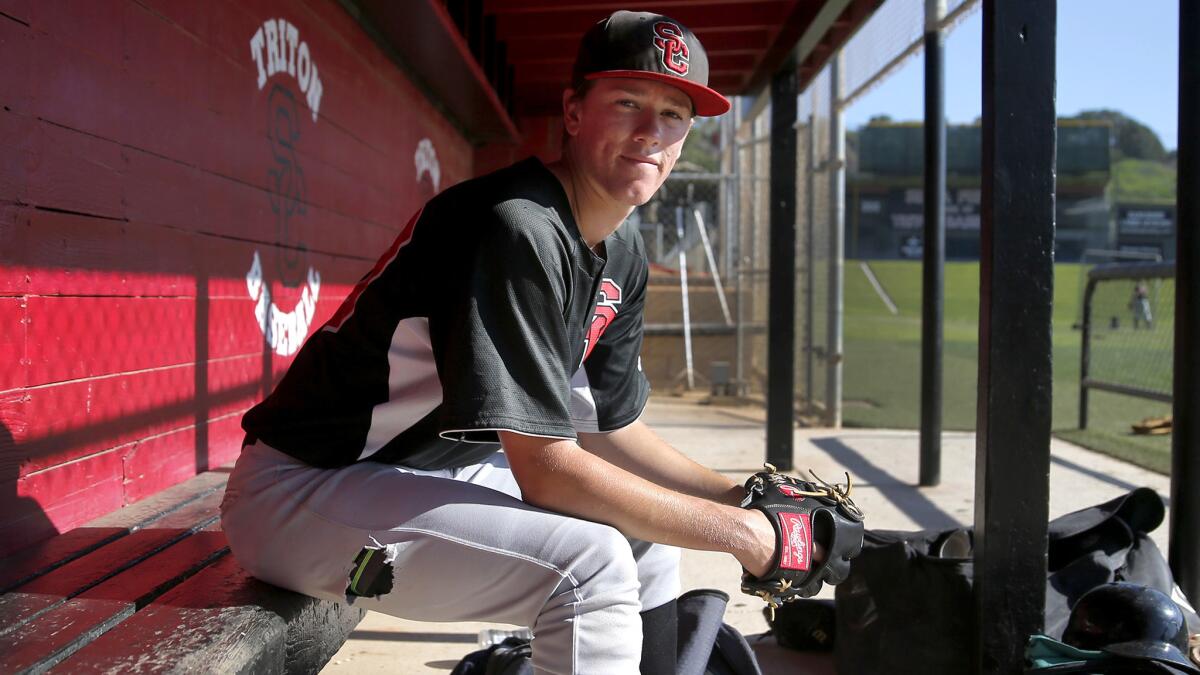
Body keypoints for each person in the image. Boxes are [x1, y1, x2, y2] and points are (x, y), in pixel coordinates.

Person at [220, 11, 783, 674]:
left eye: (673, 113)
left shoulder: (621, 250)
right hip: (302, 491)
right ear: (573, 112)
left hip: (412, 475)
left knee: (647, 540)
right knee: (589, 569)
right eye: (627, 102)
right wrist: (744, 537)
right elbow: (546, 468)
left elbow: (609, 429)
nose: (650, 132)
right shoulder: (515, 226)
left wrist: (739, 497)